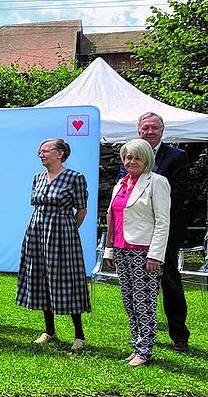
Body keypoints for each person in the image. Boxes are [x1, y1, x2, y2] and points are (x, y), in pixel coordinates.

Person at [120, 112, 190, 352]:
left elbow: (178, 195)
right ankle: (143, 334)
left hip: (164, 231)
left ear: (162, 131)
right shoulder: (129, 156)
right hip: (134, 236)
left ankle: (179, 336)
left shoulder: (176, 156)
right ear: (139, 131)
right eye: (145, 128)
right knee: (135, 290)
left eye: (154, 128)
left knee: (170, 283)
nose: (149, 132)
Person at [16, 139, 90, 351]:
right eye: (39, 151)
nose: (41, 154)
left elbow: (81, 210)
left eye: (45, 151)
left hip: (62, 234)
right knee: (41, 276)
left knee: (67, 278)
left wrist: (67, 230)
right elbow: (36, 203)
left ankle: (79, 335)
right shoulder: (38, 177)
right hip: (37, 231)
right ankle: (49, 330)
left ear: (59, 154)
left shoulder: (75, 178)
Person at [106, 138, 171, 366]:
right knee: (129, 301)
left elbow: (163, 222)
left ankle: (146, 349)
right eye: (128, 157)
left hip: (144, 252)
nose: (131, 161)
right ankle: (137, 345)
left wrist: (155, 255)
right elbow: (112, 220)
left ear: (147, 159)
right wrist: (109, 250)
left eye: (137, 157)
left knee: (144, 302)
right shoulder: (120, 184)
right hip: (122, 249)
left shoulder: (157, 182)